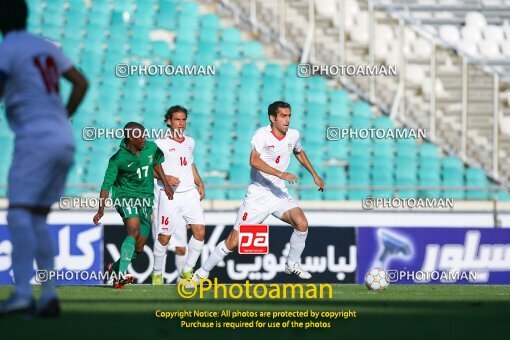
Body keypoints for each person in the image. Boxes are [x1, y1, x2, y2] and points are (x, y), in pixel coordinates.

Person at [0, 0, 88, 316]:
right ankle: (49, 295)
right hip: (63, 138)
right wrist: (64, 116)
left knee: (19, 214)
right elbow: (81, 82)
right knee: (36, 218)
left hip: (35, 138)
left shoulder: (7, 47)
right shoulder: (44, 46)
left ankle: (22, 293)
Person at [192, 101, 325, 284]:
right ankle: (201, 272)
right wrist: (280, 173)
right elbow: (253, 161)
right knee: (233, 242)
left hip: (278, 192)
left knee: (301, 223)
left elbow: (299, 152)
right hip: (258, 195)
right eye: (283, 116)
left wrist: (315, 175)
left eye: (289, 116)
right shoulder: (262, 135)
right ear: (272, 118)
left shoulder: (293, 135)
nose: (287, 120)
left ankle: (291, 264)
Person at [93, 122, 173, 288]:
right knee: (134, 230)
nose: (144, 138)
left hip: (146, 199)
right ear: (130, 138)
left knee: (139, 247)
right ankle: (120, 276)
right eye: (140, 136)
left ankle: (115, 268)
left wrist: (165, 184)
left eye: (145, 134)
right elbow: (106, 185)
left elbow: (156, 163)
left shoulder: (151, 148)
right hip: (125, 197)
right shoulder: (118, 159)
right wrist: (101, 210)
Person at [151, 106, 206, 285]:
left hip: (189, 193)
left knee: (200, 232)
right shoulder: (160, 144)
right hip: (169, 195)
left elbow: (189, 164)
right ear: (169, 121)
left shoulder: (190, 141)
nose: (181, 124)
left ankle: (187, 270)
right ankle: (157, 273)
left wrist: (199, 182)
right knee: (164, 238)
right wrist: (164, 177)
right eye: (177, 120)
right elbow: (148, 168)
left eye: (183, 120)